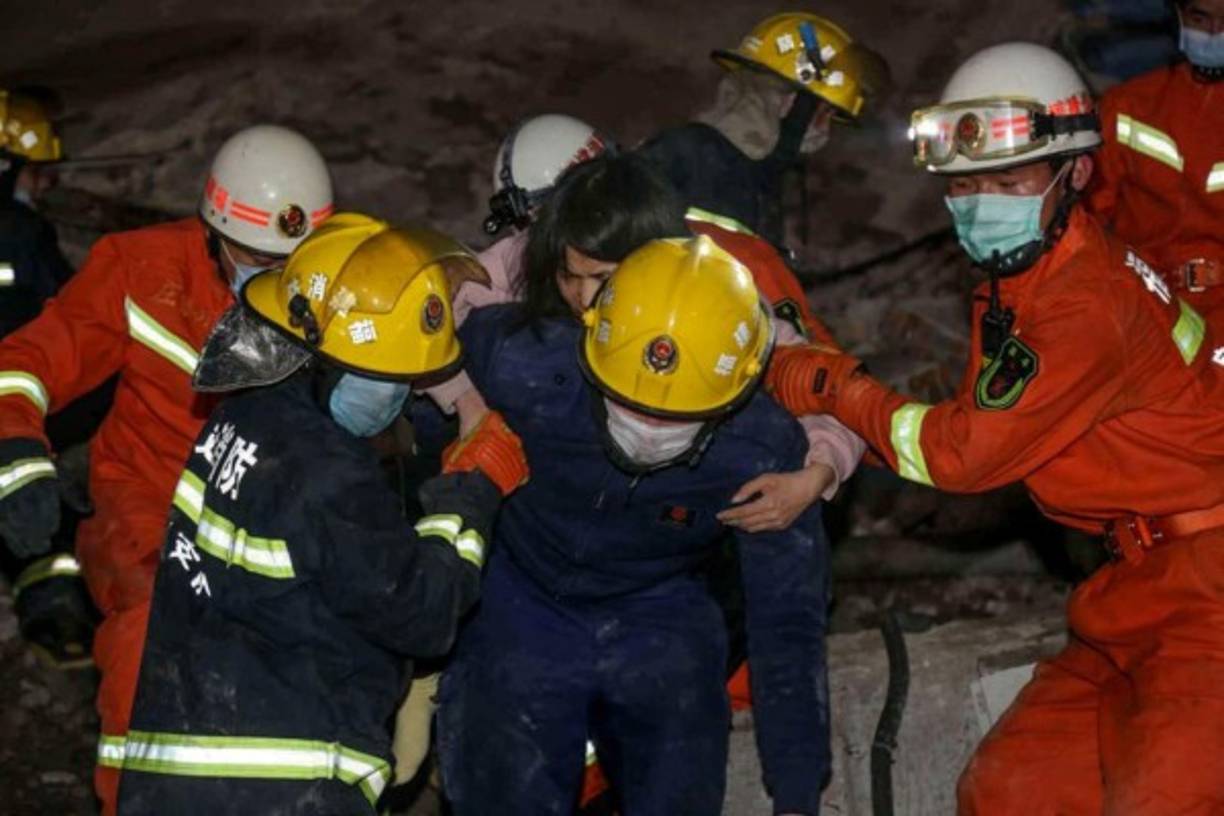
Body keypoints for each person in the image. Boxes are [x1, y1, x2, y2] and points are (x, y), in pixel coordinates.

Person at [767, 42, 1224, 813]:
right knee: (1009, 791)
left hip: (1206, 593)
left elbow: (960, 455)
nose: (983, 202)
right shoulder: (1017, 285)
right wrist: (843, 425)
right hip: (1131, 585)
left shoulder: (1082, 303)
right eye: (965, 183)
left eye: (1009, 182)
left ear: (1076, 173)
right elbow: (979, 429)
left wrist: (824, 382)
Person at [435, 182, 830, 813]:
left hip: (660, 608)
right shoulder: (518, 361)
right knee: (500, 768)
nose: (648, 426)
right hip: (522, 592)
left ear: (736, 393)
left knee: (680, 767)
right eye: (627, 402)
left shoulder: (762, 451)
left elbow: (786, 624)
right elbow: (406, 370)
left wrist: (797, 794)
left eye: (677, 416)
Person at [113, 214, 528, 814]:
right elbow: (423, 612)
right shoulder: (328, 472)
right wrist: (471, 490)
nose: (398, 393)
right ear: (320, 359)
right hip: (286, 784)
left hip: (170, 772)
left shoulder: (240, 420)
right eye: (384, 377)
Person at [0, 123, 333, 814]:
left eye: (290, 262)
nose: (274, 276)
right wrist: (15, 450)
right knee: (151, 643)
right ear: (214, 231)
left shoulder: (336, 284)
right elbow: (29, 359)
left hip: (274, 509)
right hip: (150, 502)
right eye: (256, 257)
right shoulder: (141, 270)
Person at [0, 87, 107, 669]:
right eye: (38, 173)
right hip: (17, 399)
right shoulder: (19, 230)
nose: (44, 186)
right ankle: (62, 615)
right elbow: (69, 310)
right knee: (38, 501)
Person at [639, 11, 888, 248]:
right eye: (824, 113)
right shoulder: (685, 153)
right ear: (791, 104)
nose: (824, 130)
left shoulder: (757, 184)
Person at [1086, 0, 1224, 325]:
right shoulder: (1127, 106)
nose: (1214, 32)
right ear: (1178, 17)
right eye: (1200, 18)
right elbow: (1085, 219)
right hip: (1140, 300)